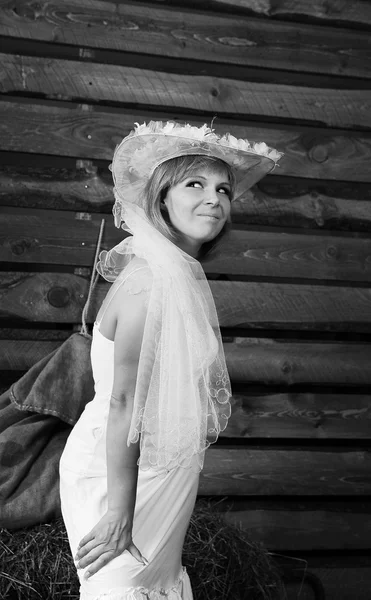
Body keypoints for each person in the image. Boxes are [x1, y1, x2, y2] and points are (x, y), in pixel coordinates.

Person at [59, 120, 282, 600]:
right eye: (195, 184)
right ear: (162, 198)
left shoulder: (178, 274)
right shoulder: (148, 282)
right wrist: (120, 509)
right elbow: (121, 402)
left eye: (224, 189)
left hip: (166, 469)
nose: (215, 199)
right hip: (116, 471)